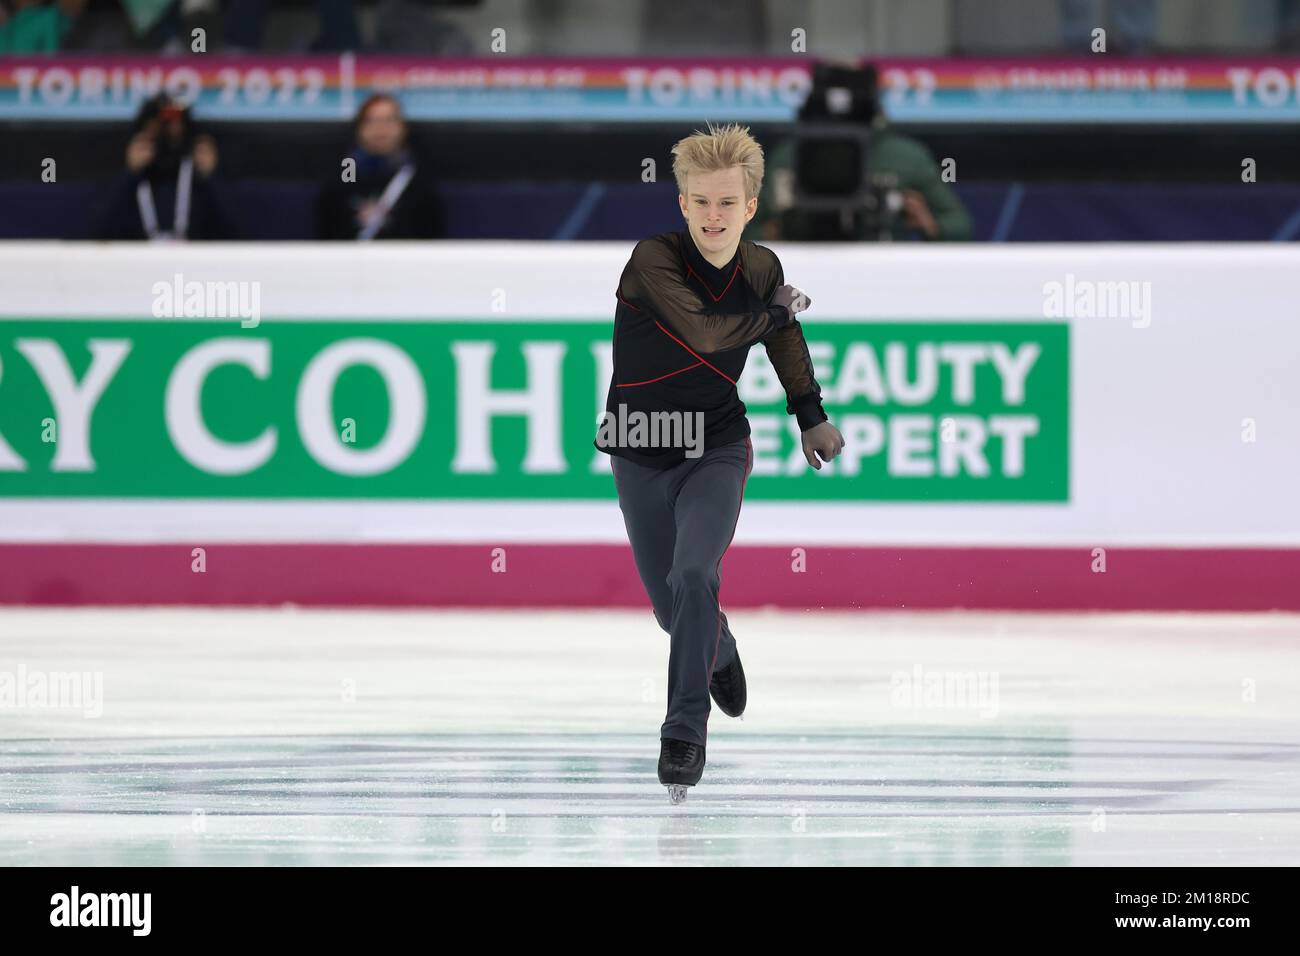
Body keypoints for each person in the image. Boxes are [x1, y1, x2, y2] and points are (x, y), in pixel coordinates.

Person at [595, 122, 844, 802]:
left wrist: (810, 413)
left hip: (716, 445)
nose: (713, 216)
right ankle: (719, 647)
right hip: (641, 444)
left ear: (750, 207)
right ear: (681, 204)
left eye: (726, 203)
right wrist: (776, 316)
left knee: (696, 570)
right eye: (700, 202)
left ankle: (684, 733)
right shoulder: (652, 260)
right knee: (674, 608)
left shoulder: (762, 270)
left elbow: (783, 343)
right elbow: (705, 330)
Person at [744, 65, 972, 243]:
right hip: (801, 273)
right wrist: (769, 234)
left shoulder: (906, 157)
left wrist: (930, 224)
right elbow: (739, 229)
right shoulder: (788, 157)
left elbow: (961, 226)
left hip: (882, 269)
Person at [90, 93, 237, 241]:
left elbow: (239, 236)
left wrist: (211, 178)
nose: (166, 132)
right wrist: (129, 175)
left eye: (173, 123)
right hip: (136, 260)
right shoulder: (128, 181)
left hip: (194, 260)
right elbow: (96, 234)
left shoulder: (198, 178)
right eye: (159, 125)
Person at [314, 93, 444, 241]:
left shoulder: (417, 175)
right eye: (372, 121)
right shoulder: (347, 171)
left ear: (403, 127)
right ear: (359, 128)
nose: (381, 128)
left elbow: (431, 232)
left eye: (389, 120)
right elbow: (330, 224)